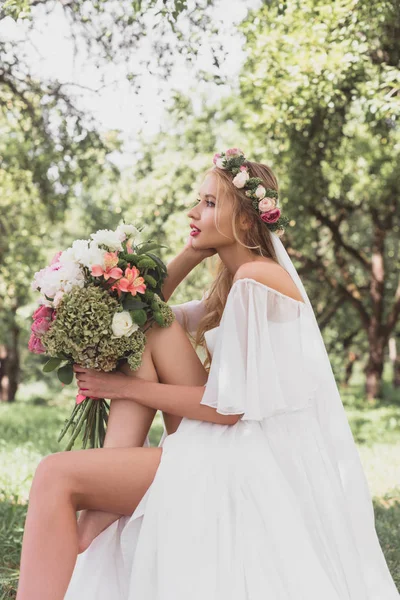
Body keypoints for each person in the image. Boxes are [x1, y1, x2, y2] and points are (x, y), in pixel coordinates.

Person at [16, 148, 399, 600]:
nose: (193, 211)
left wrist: (121, 387)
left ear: (243, 220)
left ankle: (100, 496)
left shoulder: (258, 278)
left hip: (244, 452)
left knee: (55, 474)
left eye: (211, 203)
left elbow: (229, 410)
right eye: (198, 200)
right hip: (226, 440)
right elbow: (144, 313)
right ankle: (106, 486)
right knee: (148, 326)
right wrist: (193, 252)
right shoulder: (239, 279)